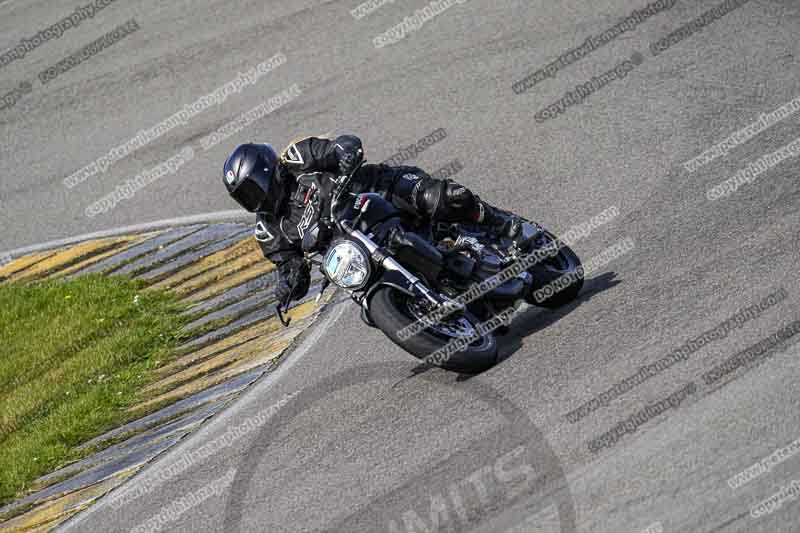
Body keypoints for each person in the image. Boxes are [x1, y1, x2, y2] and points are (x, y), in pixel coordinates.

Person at [222, 134, 523, 304]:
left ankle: (503, 226)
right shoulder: (268, 229)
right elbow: (288, 265)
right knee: (366, 305)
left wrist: (345, 154)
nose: (253, 199)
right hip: (357, 250)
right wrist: (287, 286)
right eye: (244, 196)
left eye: (252, 188)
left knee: (446, 198)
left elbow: (338, 145)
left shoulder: (297, 159)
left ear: (266, 171)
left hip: (381, 192)